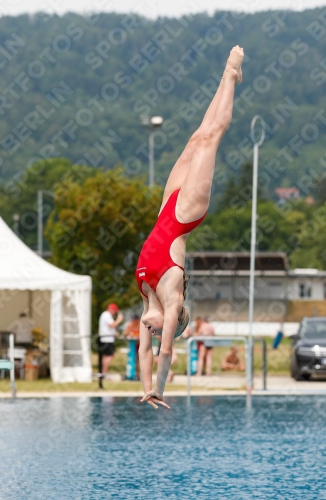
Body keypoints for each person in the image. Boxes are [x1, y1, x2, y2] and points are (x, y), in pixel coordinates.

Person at [136, 46, 244, 409]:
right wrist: (159, 390)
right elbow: (164, 351)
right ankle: (231, 75)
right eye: (156, 329)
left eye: (148, 332)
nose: (148, 333)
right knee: (213, 138)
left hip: (167, 205)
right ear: (174, 320)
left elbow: (144, 355)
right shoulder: (172, 299)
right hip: (185, 215)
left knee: (198, 136)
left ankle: (225, 77)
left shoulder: (144, 294)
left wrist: (144, 386)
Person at [98, 303, 123, 387]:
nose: (114, 313)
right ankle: (104, 374)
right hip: (107, 339)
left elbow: (109, 327)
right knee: (109, 356)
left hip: (107, 339)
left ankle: (104, 373)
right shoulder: (106, 315)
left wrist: (115, 333)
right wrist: (119, 320)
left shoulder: (106, 315)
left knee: (107, 356)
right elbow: (112, 325)